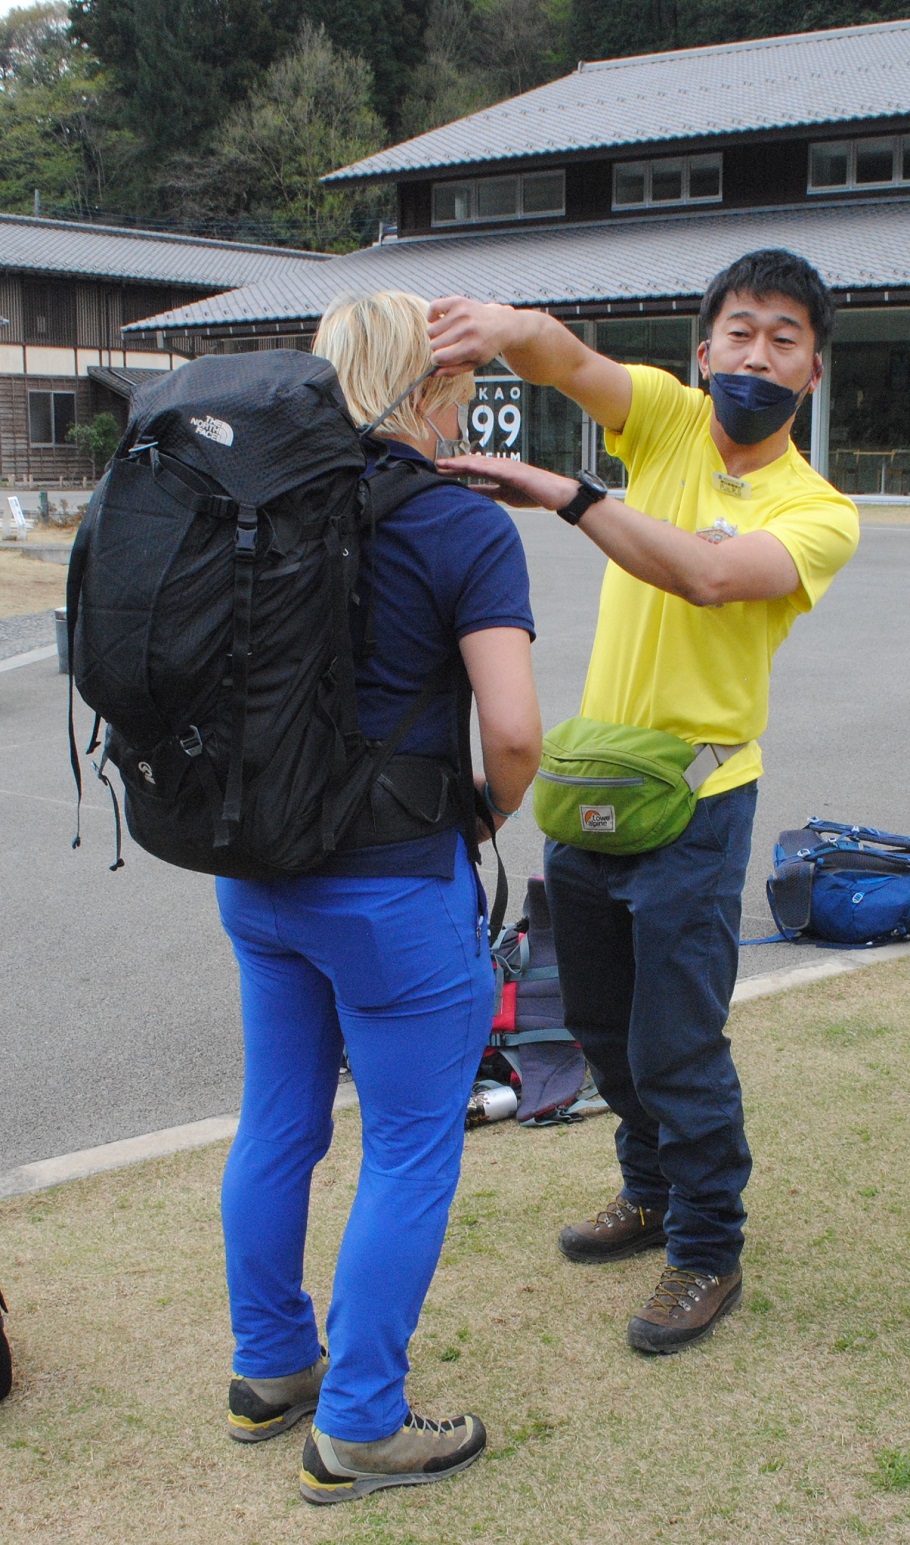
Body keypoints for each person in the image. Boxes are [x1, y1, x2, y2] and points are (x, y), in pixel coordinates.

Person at [427, 249, 859, 1356]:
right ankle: (648, 1189)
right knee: (605, 1034)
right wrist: (500, 322)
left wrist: (567, 496)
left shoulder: (817, 511)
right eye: (739, 331)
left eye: (783, 338)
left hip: (699, 800)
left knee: (677, 1043)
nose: (756, 354)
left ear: (811, 370)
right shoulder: (663, 420)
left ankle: (707, 1247)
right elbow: (564, 357)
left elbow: (709, 576)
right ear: (701, 349)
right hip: (593, 785)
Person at [215, 290, 541, 1504]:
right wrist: (478, 817)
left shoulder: (258, 505)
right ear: (437, 386)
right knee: (408, 1148)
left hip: (257, 876)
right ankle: (359, 1424)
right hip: (394, 887)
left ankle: (270, 1367)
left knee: (279, 1123)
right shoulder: (458, 526)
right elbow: (512, 734)